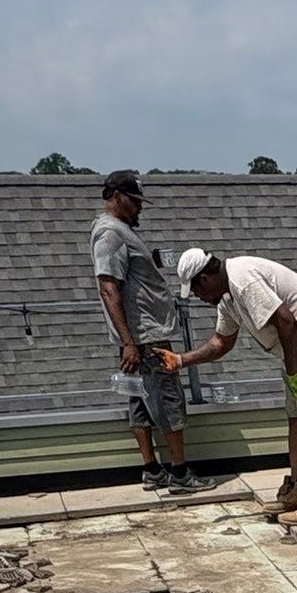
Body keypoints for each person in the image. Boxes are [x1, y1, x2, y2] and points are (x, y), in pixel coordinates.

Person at [165, 245, 297, 526]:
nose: (199, 298)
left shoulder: (243, 280)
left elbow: (286, 322)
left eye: (196, 292)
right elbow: (221, 343)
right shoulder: (228, 297)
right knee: (295, 418)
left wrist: (293, 375)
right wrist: (180, 360)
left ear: (204, 279)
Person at [90, 170, 207, 495]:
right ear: (116, 197)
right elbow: (108, 288)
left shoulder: (120, 231)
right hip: (145, 337)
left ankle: (151, 469)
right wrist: (128, 341)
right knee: (168, 398)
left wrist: (149, 260)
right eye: (135, 201)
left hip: (137, 338)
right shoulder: (111, 233)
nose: (139, 208)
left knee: (140, 397)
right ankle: (180, 474)